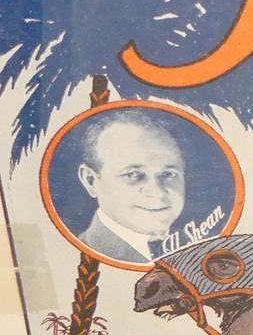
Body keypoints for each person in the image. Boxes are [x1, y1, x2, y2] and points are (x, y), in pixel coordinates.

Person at [73, 108, 186, 264]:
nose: (158, 192)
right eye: (132, 175)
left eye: (168, 174)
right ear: (90, 181)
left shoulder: (195, 247)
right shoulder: (77, 258)